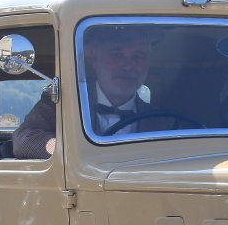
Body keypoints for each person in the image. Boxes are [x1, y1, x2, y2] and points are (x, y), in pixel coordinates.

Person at [13, 26, 159, 158]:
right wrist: (66, 149)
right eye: (117, 55)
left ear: (148, 63)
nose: (127, 66)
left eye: (138, 57)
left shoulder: (163, 121)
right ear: (94, 59)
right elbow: (24, 140)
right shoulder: (63, 101)